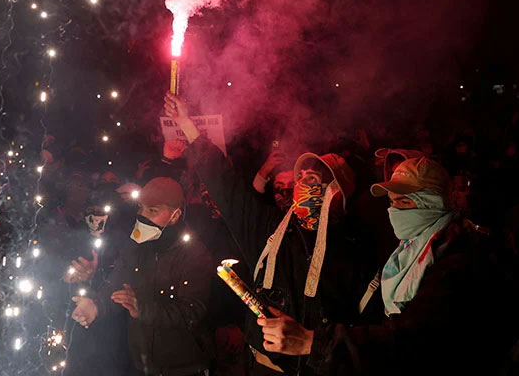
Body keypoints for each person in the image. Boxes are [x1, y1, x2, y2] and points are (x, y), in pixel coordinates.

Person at [164, 93, 375, 375]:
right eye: (301, 178)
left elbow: (366, 338)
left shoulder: (354, 251)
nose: (302, 185)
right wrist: (187, 125)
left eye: (314, 179)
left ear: (338, 193)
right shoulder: (271, 228)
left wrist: (314, 343)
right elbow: (225, 184)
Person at [252, 157, 517, 375]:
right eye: (391, 202)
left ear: (433, 202)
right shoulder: (413, 248)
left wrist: (314, 343)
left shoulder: (459, 259)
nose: (395, 211)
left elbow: (411, 341)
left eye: (404, 201)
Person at [71, 177, 214, 376]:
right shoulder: (137, 245)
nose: (142, 216)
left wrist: (142, 309)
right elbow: (117, 283)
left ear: (175, 215)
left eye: (152, 211)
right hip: (141, 364)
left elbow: (190, 312)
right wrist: (96, 305)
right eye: (141, 208)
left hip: (183, 367)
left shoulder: (194, 254)